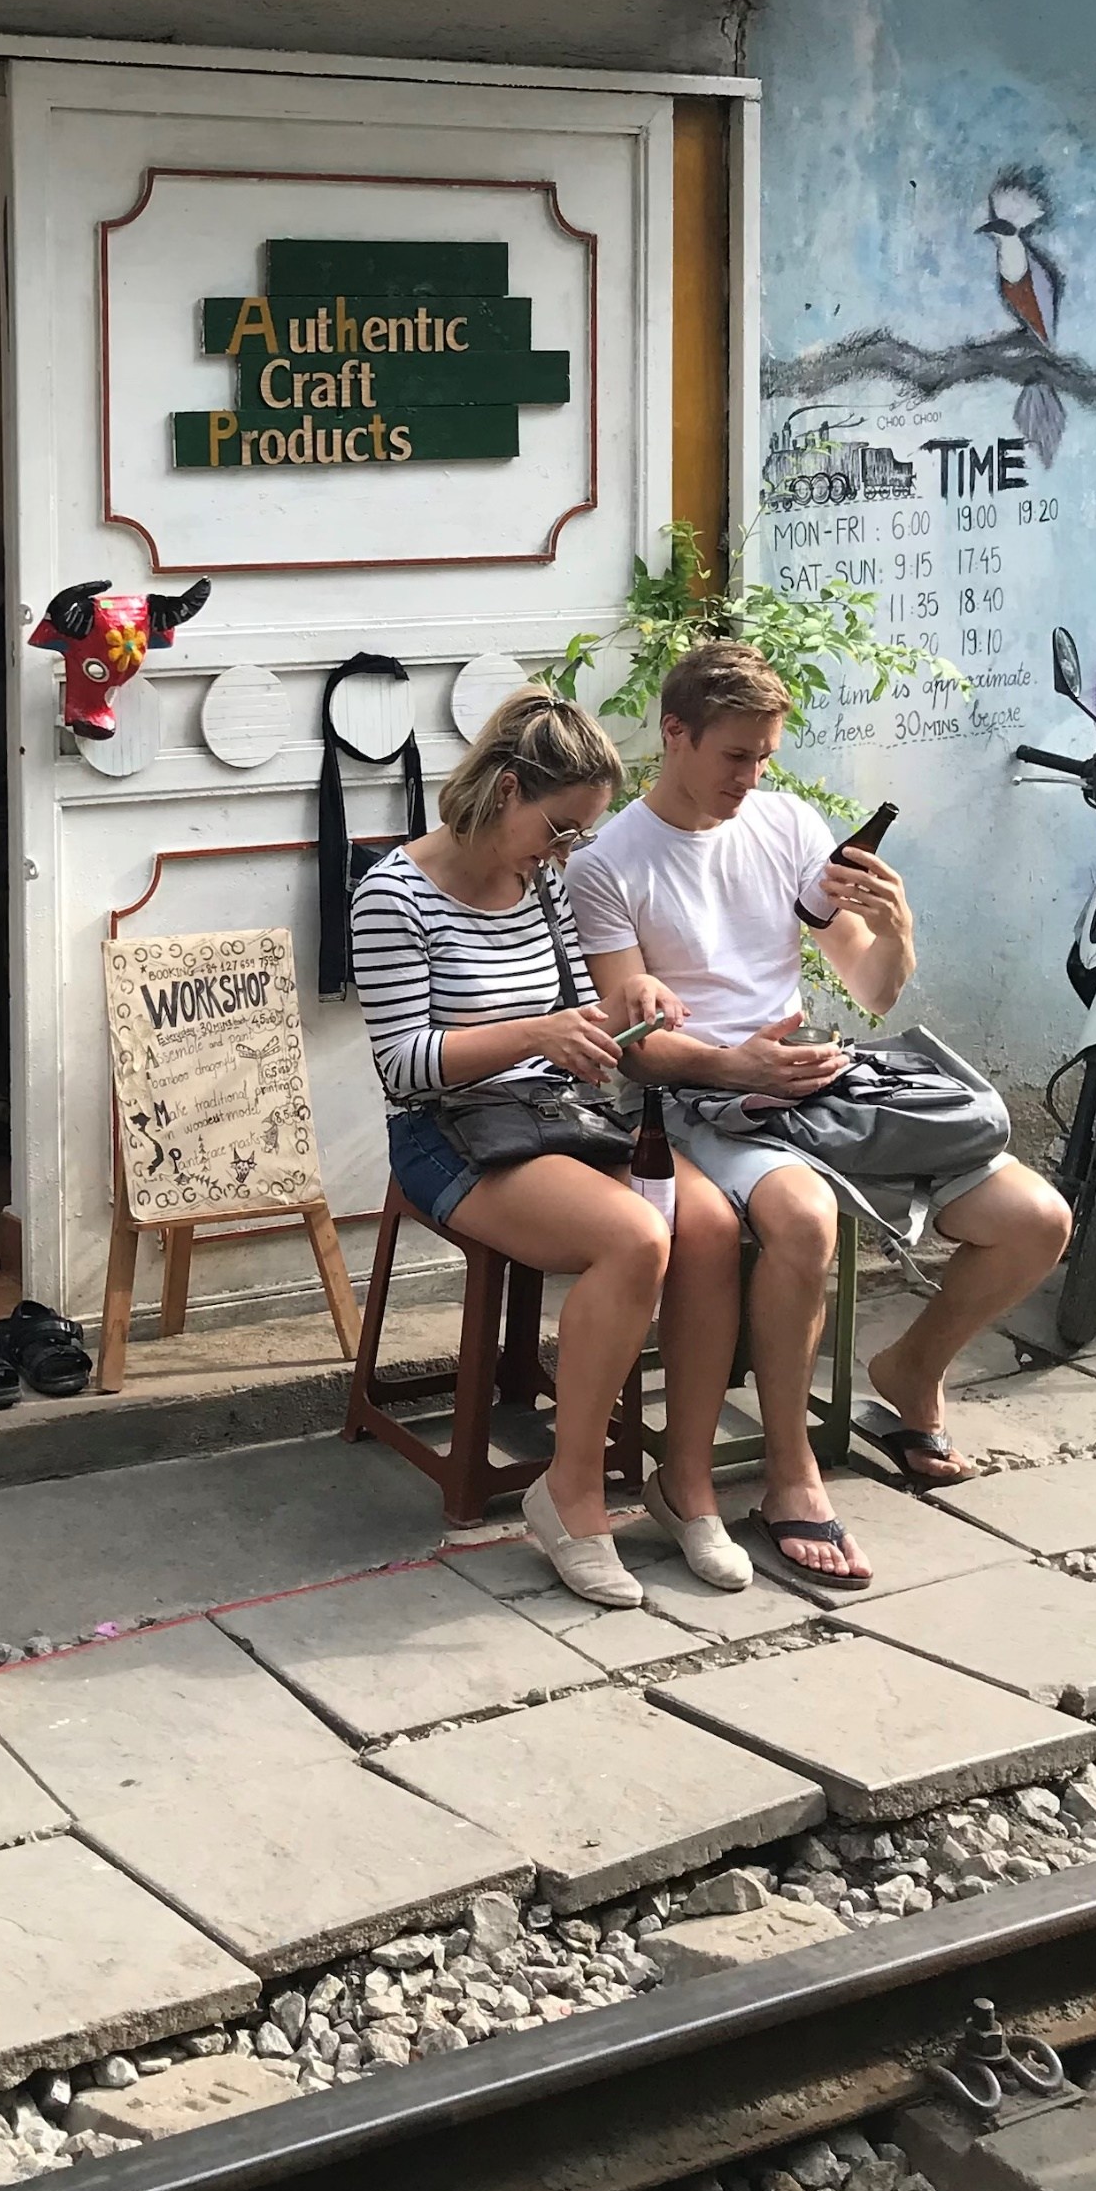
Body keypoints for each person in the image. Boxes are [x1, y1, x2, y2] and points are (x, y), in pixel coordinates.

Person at [570, 638, 1073, 1593]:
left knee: (1036, 1221)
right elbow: (632, 1040)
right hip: (698, 1100)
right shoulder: (610, 862)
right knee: (803, 1217)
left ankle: (910, 1370)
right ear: (673, 733)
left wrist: (897, 930)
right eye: (733, 755)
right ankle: (789, 1470)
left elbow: (872, 990)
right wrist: (733, 1059)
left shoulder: (785, 821)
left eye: (764, 756)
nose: (750, 776)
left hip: (812, 1080)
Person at [350, 686, 746, 1609]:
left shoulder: (545, 886)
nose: (565, 850)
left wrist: (634, 1005)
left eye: (578, 835)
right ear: (504, 789)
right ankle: (567, 1494)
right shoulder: (392, 891)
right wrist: (537, 1032)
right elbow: (407, 1065)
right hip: (447, 1133)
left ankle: (682, 1484)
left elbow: (583, 1016)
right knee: (633, 1235)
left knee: (710, 1224)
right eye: (560, 827)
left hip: (553, 1112)